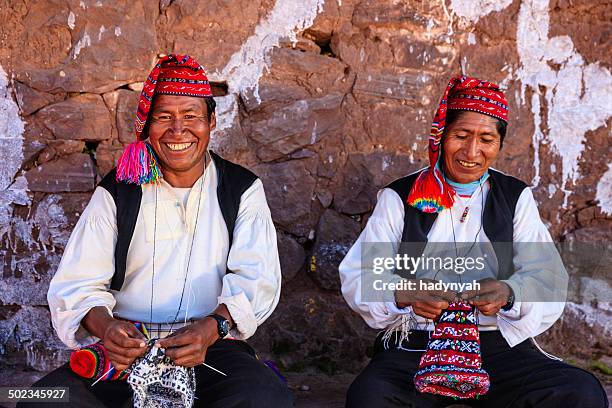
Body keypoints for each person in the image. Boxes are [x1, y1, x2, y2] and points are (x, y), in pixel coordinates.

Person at [19, 54, 292, 407]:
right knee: (39, 400)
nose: (178, 130)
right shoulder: (118, 192)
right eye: (164, 117)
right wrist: (107, 330)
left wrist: (211, 328)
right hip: (124, 354)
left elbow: (258, 280)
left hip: (209, 348)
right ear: (148, 127)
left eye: (191, 116)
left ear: (211, 121)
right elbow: (77, 284)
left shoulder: (240, 190)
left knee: (264, 399)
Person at [339, 76, 607, 407]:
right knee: (372, 397)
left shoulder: (514, 198)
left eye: (486, 139)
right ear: (442, 136)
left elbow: (548, 278)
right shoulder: (401, 197)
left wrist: (509, 294)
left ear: (499, 144)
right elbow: (358, 275)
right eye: (461, 136)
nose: (471, 152)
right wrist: (403, 294)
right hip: (418, 343)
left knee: (578, 393)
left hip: (498, 344)